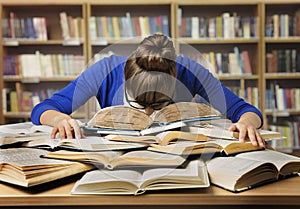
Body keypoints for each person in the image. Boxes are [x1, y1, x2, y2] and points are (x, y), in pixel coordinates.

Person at [31, 34, 264, 147]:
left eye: (159, 106)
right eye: (138, 105)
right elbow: (43, 109)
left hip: (179, 160)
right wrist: (60, 118)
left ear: (175, 79)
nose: (149, 115)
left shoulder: (190, 71)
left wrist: (247, 123)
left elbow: (244, 109)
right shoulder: (105, 70)